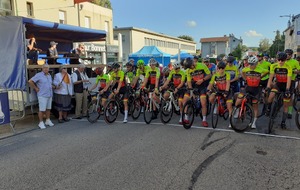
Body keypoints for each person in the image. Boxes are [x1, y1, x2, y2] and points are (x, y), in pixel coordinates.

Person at [236, 56, 269, 129]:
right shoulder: (246, 68)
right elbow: (242, 72)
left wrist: (260, 77)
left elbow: (267, 71)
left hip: (256, 89)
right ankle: (237, 110)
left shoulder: (260, 69)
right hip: (248, 87)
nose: (251, 65)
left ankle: (254, 122)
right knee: (239, 100)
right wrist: (245, 79)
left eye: (252, 64)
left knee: (255, 106)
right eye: (250, 64)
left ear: (256, 63)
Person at [182, 57, 211, 127]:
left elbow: (209, 75)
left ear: (193, 63)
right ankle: (186, 118)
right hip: (193, 86)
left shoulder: (202, 65)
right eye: (189, 68)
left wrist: (203, 80)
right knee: (185, 100)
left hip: (202, 85)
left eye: (191, 67)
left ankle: (204, 120)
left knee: (203, 102)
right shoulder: (188, 70)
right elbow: (188, 81)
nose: (191, 68)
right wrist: (191, 91)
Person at [266, 52, 292, 129]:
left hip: (285, 85)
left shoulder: (288, 67)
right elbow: (270, 77)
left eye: (282, 60)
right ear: (277, 59)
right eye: (279, 60)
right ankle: (268, 108)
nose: (280, 61)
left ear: (285, 60)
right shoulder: (273, 66)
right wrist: (268, 86)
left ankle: (283, 122)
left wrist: (287, 89)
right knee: (271, 96)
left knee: (286, 105)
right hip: (278, 84)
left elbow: (289, 79)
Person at [28, 64, 55, 129]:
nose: (46, 69)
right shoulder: (39, 75)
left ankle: (48, 120)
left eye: (47, 68)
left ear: (49, 69)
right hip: (42, 95)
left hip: (49, 94)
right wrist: (35, 88)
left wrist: (54, 87)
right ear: (42, 69)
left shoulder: (49, 75)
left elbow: (49, 84)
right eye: (44, 68)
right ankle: (40, 122)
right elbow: (30, 81)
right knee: (42, 110)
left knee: (48, 109)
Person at [207, 61, 232, 127]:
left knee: (229, 106)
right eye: (219, 68)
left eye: (222, 68)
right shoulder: (215, 75)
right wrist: (208, 89)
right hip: (219, 90)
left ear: (224, 68)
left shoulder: (227, 74)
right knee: (211, 98)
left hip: (227, 90)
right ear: (217, 68)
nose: (221, 70)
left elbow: (228, 83)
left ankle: (230, 121)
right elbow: (211, 83)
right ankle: (215, 106)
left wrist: (226, 92)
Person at [284, 49, 299, 118]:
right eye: (286, 54)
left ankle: (290, 111)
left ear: (292, 55)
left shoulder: (295, 62)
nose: (287, 55)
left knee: (289, 97)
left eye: (289, 54)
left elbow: (298, 70)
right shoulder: (282, 60)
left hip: (291, 80)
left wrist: (293, 71)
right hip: (282, 80)